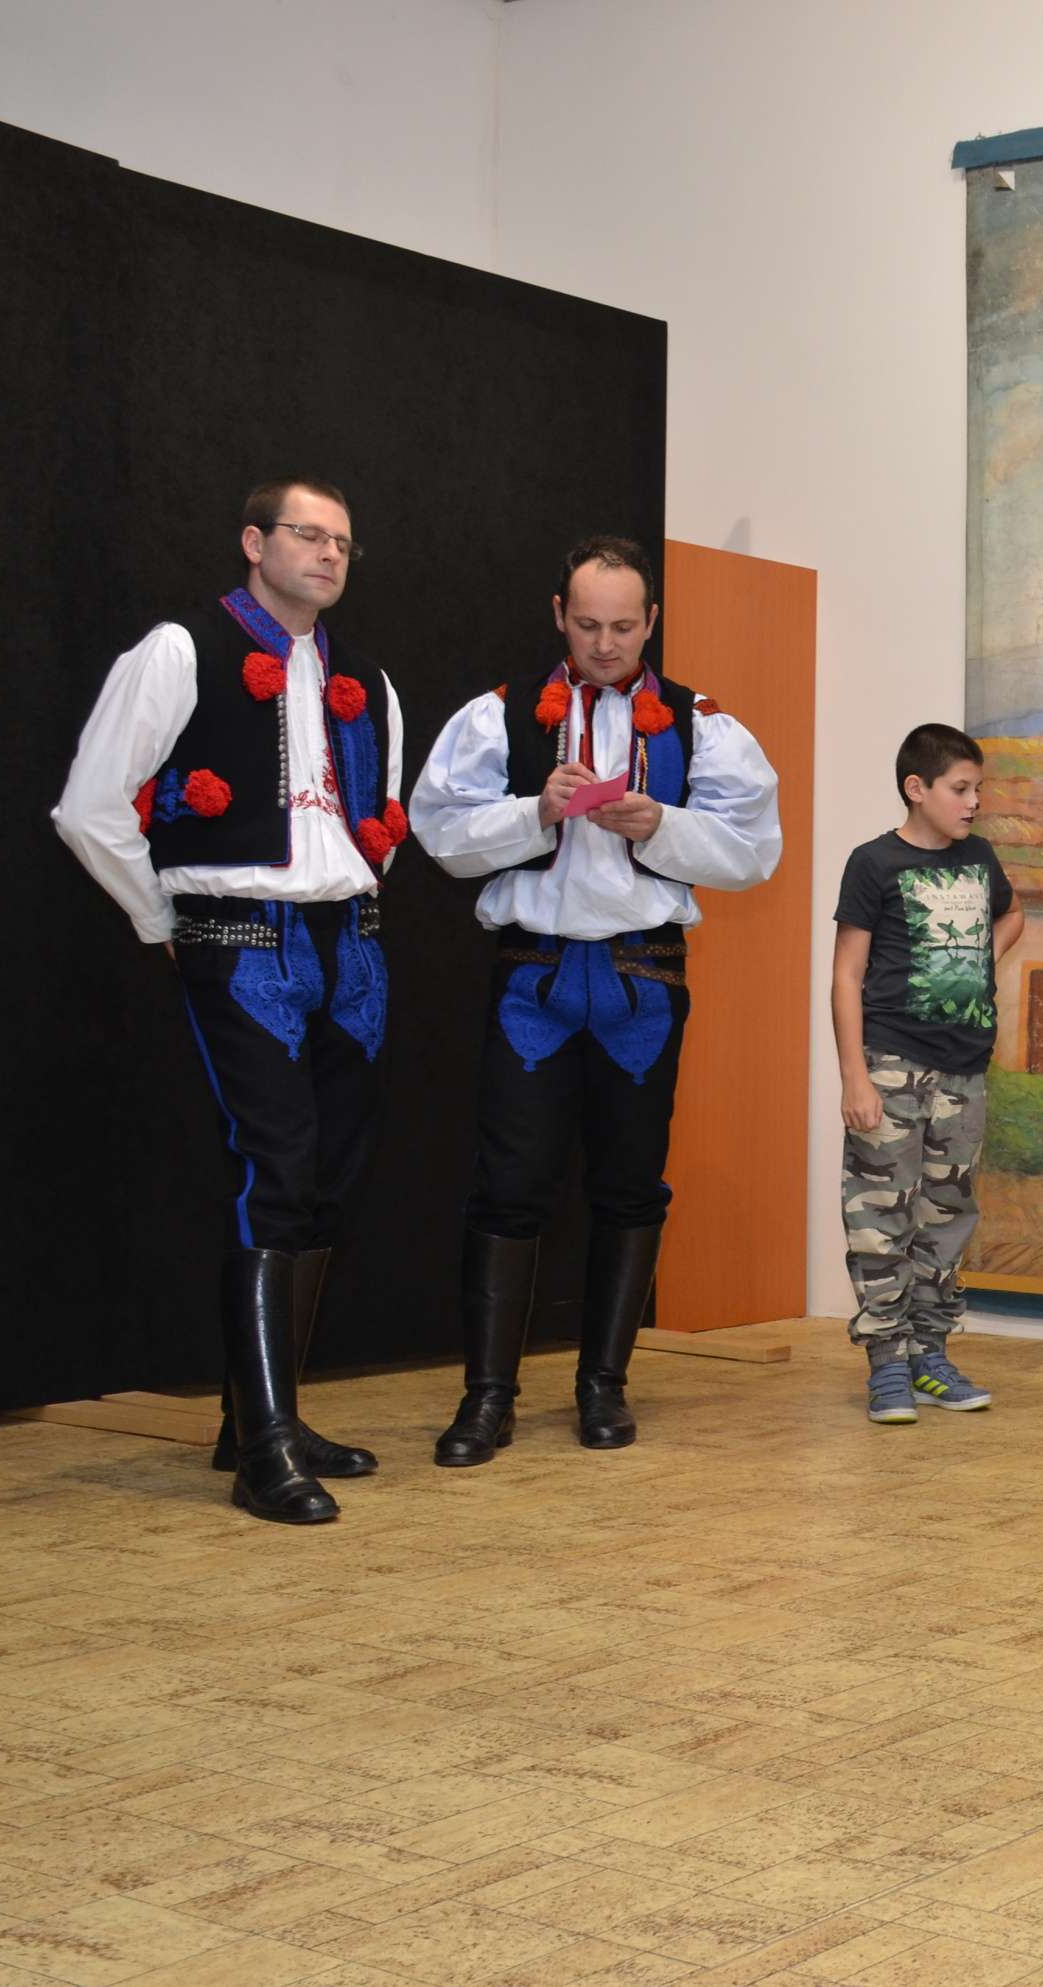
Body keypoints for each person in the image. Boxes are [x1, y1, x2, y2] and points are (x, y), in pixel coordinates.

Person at [51, 476, 409, 1525]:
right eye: (308, 533)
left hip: (351, 942)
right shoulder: (181, 650)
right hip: (243, 937)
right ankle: (263, 1452)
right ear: (255, 542)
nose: (329, 553)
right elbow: (89, 806)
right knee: (277, 1167)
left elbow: (377, 821)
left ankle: (261, 1418)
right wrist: (158, 917)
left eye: (342, 540)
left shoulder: (369, 678)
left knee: (332, 1176)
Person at [409, 536, 782, 1461]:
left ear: (651, 620)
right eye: (586, 625)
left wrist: (663, 825)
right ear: (558, 615)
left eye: (622, 626)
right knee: (508, 1186)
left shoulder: (701, 723)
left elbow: (755, 852)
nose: (605, 643)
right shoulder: (498, 715)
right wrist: (534, 810)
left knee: (629, 1185)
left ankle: (603, 1387)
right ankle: (486, 1398)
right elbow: (438, 833)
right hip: (530, 976)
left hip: (641, 977)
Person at [830, 725, 1025, 1425]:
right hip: (891, 1062)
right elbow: (846, 974)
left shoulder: (979, 858)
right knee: (881, 1216)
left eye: (978, 789)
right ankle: (887, 1361)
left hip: (964, 1069)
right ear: (917, 788)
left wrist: (973, 960)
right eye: (960, 789)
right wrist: (854, 1076)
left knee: (946, 1216)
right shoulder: (873, 863)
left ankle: (929, 1355)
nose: (974, 802)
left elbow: (1013, 914)